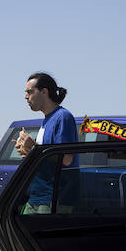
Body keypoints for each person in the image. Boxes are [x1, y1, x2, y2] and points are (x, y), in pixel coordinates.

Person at [15, 72, 78, 214]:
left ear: (44, 92)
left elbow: (67, 159)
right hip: (38, 197)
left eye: (30, 92)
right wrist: (27, 150)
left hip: (54, 200)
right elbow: (44, 157)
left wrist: (34, 148)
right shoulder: (47, 120)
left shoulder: (63, 117)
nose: (26, 97)